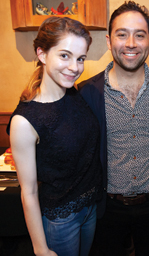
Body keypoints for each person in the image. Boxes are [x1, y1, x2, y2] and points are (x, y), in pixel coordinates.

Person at [7, 17, 102, 256]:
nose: (74, 67)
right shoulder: (24, 121)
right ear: (42, 54)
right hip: (61, 220)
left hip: (91, 207)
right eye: (64, 55)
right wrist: (40, 248)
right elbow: (28, 192)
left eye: (80, 58)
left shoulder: (73, 94)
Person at [78, 1, 149, 256]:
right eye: (122, 34)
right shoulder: (87, 93)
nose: (131, 43)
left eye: (140, 35)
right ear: (108, 41)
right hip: (107, 208)